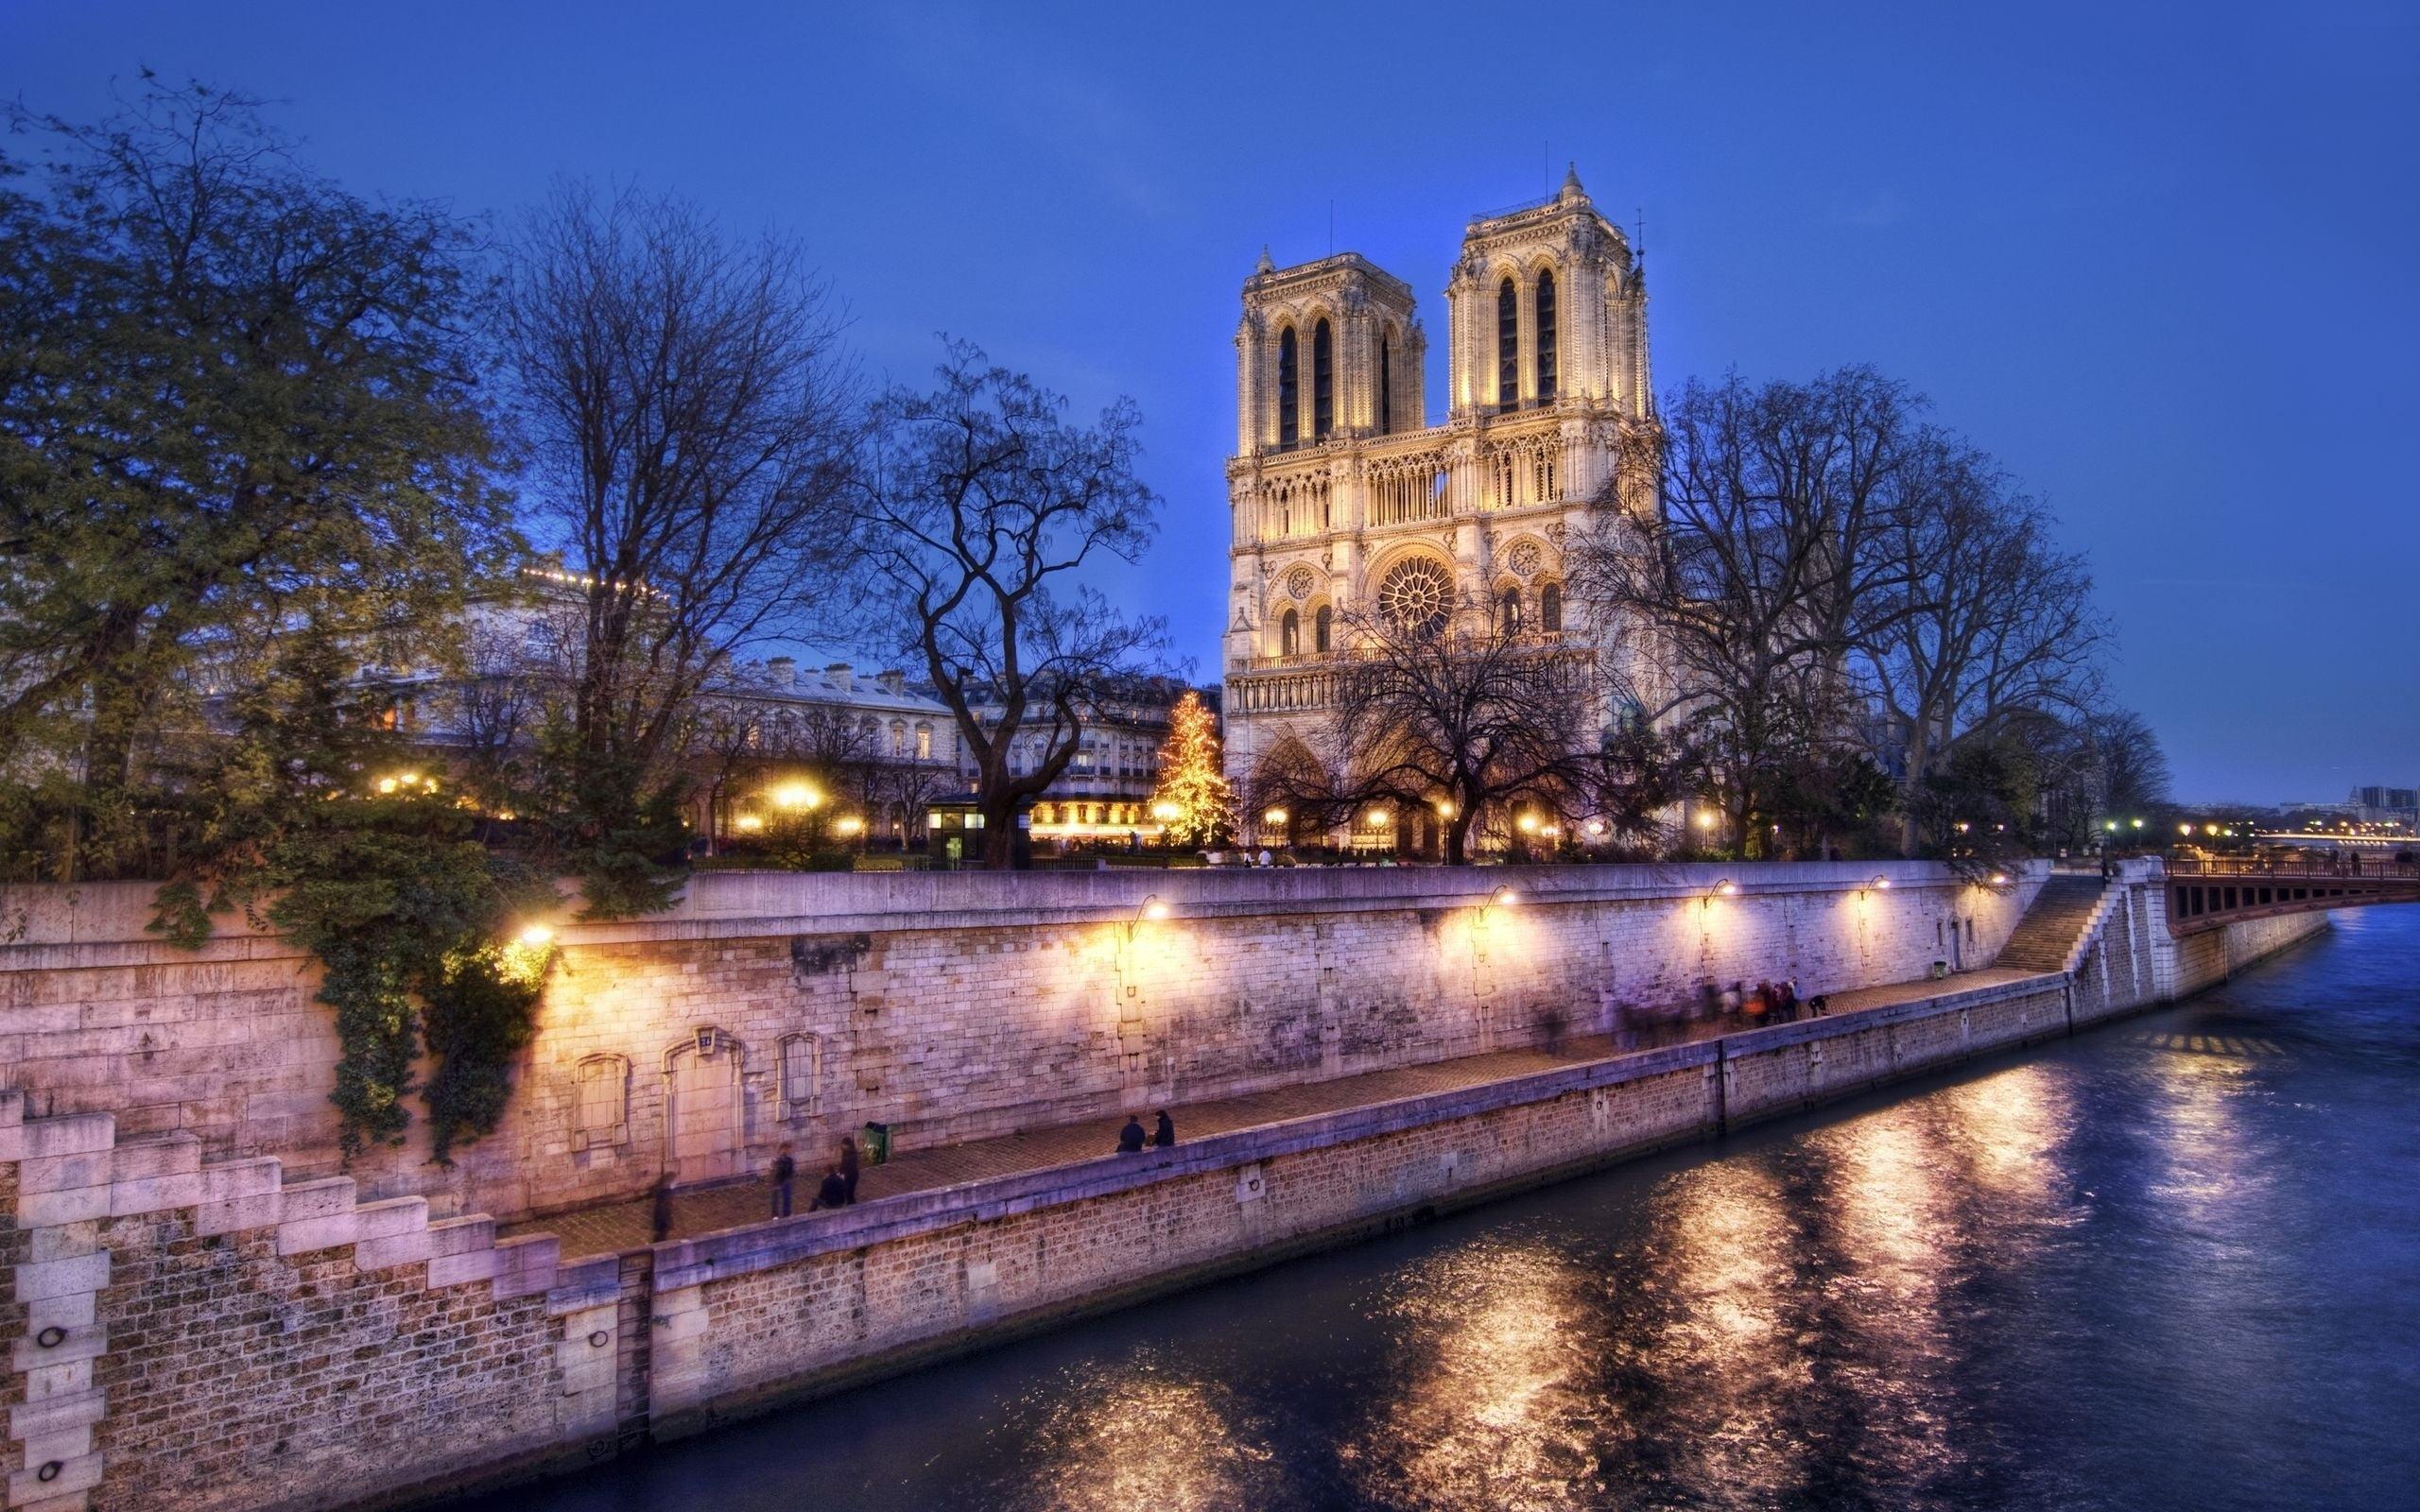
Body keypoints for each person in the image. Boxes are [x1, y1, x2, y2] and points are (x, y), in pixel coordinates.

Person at [769, 1143, 797, 1219]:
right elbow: (771, 1169)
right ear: (784, 1148)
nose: (791, 1151)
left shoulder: (789, 1159)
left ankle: (786, 1213)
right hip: (777, 1180)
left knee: (786, 1197)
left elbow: (792, 1170)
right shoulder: (776, 1159)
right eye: (789, 1149)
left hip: (786, 1180)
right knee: (775, 1198)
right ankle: (775, 1215)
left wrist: (790, 1178)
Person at [648, 1172, 676, 1244]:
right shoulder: (666, 1192)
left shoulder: (664, 1190)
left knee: (663, 1232)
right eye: (674, 1180)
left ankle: (658, 1243)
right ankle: (659, 1244)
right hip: (663, 1215)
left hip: (662, 1214)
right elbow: (665, 1204)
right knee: (663, 1231)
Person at [838, 1135, 861, 1205]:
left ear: (847, 1145)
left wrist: (844, 1175)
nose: (842, 1146)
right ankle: (851, 1205)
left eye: (843, 1145)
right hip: (847, 1176)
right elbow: (843, 1164)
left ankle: (852, 1207)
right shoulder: (845, 1152)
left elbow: (851, 1167)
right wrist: (840, 1173)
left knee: (850, 1193)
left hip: (852, 1177)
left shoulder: (852, 1154)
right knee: (847, 1193)